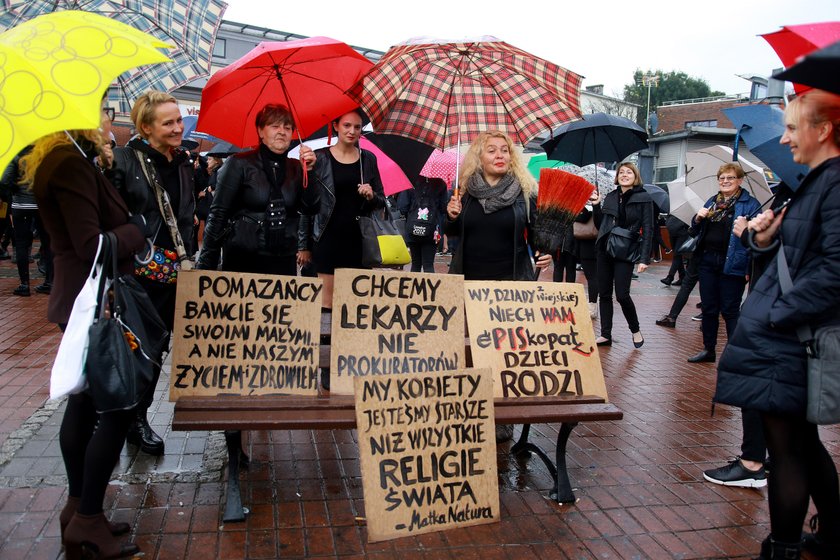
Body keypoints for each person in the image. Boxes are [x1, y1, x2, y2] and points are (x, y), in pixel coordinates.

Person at [715, 89, 840, 560]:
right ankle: (831, 535)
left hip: (790, 338)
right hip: (789, 334)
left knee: (786, 450)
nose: (785, 138)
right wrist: (767, 239)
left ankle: (782, 548)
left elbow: (834, 270)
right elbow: (803, 256)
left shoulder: (833, 182)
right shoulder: (816, 181)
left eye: (792, 127)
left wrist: (776, 315)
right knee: (803, 445)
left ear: (823, 129)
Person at [22, 101, 145, 558]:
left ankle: (79, 508)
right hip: (92, 302)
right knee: (114, 409)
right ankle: (88, 517)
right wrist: (136, 230)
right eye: (102, 110)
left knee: (84, 405)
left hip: (81, 299)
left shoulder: (67, 158)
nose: (108, 118)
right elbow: (92, 244)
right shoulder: (69, 165)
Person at [444, 130, 552, 442]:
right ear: (480, 156)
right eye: (491, 150)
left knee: (502, 354)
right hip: (467, 284)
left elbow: (537, 232)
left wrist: (544, 253)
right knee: (467, 352)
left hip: (509, 286)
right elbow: (451, 232)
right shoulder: (462, 192)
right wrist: (450, 216)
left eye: (504, 150)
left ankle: (501, 416)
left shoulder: (525, 191)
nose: (499, 155)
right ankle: (468, 412)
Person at [107, 90, 195, 456]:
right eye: (169, 122)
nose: (178, 128)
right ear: (146, 127)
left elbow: (187, 215)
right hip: (138, 273)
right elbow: (111, 218)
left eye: (178, 120)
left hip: (176, 270)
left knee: (158, 347)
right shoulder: (124, 161)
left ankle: (136, 416)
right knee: (138, 350)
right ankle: (130, 420)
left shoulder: (183, 161)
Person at [197, 103, 319, 276]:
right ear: (261, 131)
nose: (282, 131)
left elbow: (311, 208)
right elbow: (218, 215)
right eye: (274, 126)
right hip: (243, 258)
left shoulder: (297, 167)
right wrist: (205, 268)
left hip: (283, 258)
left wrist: (310, 172)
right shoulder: (239, 163)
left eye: (287, 127)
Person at [308, 109, 386, 308]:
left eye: (357, 127)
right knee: (325, 305)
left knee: (355, 306)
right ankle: (326, 341)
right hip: (327, 237)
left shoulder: (368, 159)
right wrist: (303, 245)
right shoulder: (320, 158)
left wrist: (371, 196)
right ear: (335, 126)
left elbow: (382, 202)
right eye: (347, 125)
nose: (352, 131)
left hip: (359, 240)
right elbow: (308, 204)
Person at [685, 163, 760, 363]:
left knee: (729, 310)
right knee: (709, 308)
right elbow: (695, 231)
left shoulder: (750, 204)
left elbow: (753, 240)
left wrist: (747, 268)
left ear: (740, 181)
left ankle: (735, 354)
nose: (725, 182)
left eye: (730, 178)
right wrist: (698, 218)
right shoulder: (713, 201)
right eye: (722, 178)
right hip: (707, 261)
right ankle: (708, 350)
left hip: (733, 264)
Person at [592, 162, 654, 348]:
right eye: (622, 172)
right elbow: (599, 224)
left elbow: (649, 228)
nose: (625, 175)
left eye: (629, 172)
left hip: (625, 251)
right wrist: (596, 205)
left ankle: (635, 329)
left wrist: (644, 258)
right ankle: (605, 334)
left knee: (622, 295)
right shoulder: (611, 196)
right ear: (617, 177)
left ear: (635, 177)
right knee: (603, 294)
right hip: (605, 249)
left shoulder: (644, 198)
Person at [2, 146, 53, 296]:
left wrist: (14, 189)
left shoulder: (17, 155)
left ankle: (24, 284)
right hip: (41, 204)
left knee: (21, 243)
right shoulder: (45, 155)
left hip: (21, 205)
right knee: (48, 242)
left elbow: (4, 180)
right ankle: (49, 281)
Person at [398, 176, 448, 272]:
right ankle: (429, 287)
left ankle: (413, 287)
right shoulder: (440, 183)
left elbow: (402, 207)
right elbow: (443, 208)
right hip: (432, 230)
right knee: (428, 265)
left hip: (413, 228)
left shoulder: (411, 181)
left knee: (415, 264)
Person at [661, 214, 689, 286]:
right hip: (673, 231)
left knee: (677, 254)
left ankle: (670, 277)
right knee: (677, 255)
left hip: (682, 232)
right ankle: (682, 277)